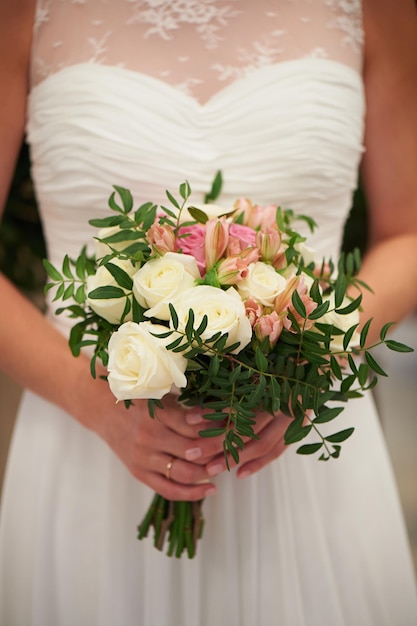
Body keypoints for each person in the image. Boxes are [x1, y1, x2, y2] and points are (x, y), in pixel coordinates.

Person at [0, 1, 417, 624]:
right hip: (88, 444)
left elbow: (408, 233)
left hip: (296, 449)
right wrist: (97, 403)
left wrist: (312, 357)